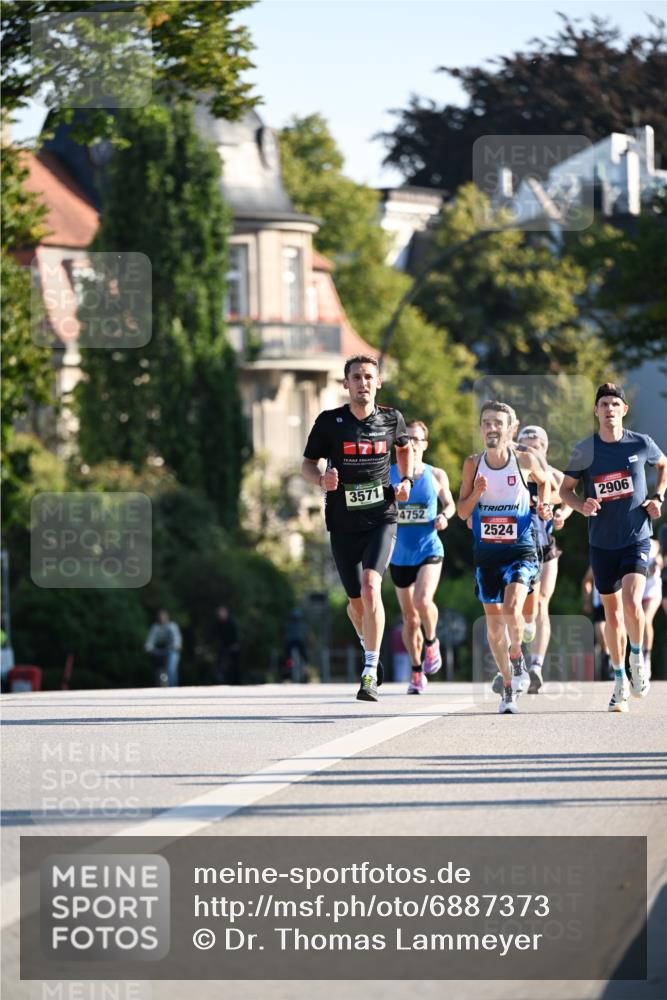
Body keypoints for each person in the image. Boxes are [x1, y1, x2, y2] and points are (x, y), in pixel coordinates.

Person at [302, 355, 412, 702]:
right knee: (356, 604)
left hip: (382, 516)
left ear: (378, 383)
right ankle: (370, 642)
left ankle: (369, 671)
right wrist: (322, 479)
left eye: (369, 377)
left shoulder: (392, 418)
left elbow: (405, 448)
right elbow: (307, 464)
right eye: (356, 377)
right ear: (345, 384)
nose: (363, 383)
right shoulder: (330, 422)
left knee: (370, 585)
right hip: (342, 522)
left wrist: (405, 478)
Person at [560, 383, 667, 712]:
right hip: (602, 542)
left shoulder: (641, 443)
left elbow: (664, 465)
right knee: (612, 616)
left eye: (614, 403)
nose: (609, 409)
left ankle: (637, 660)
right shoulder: (584, 450)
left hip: (636, 536)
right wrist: (582, 506)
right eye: (603, 403)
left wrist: (658, 496)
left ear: (624, 410)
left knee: (633, 603)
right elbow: (566, 491)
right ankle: (620, 680)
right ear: (596, 411)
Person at [458, 401, 552, 714]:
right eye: (486, 422)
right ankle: (509, 688)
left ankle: (517, 657)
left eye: (499, 423)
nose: (492, 428)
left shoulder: (524, 458)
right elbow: (462, 511)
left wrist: (544, 505)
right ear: (480, 427)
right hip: (487, 553)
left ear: (511, 429)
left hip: (521, 549)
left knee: (513, 607)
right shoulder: (473, 464)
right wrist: (476, 493)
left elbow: (545, 481)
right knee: (494, 626)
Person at [389, 420, 456, 694]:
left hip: (429, 548)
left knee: (422, 601)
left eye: (418, 439)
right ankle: (416, 672)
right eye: (408, 438)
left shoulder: (436, 474)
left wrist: (444, 516)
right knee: (409, 618)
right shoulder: (390, 473)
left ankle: (431, 643)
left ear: (425, 444)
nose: (413, 443)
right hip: (399, 554)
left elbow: (450, 503)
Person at [515, 425, 573, 693]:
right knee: (518, 605)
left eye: (535, 444)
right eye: (525, 445)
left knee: (541, 602)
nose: (530, 449)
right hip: (516, 547)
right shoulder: (513, 474)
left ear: (545, 447)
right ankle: (517, 661)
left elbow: (569, 498)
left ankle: (536, 666)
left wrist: (562, 515)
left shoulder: (554, 475)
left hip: (546, 548)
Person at [582, 566, 612, 680]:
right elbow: (587, 581)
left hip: (617, 604)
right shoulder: (596, 559)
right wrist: (587, 601)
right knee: (601, 631)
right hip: (600, 605)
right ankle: (607, 659)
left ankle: (615, 664)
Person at [642, 538, 663, 677]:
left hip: (653, 590)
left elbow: (660, 560)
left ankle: (646, 657)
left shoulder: (655, 544)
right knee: (636, 624)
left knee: (646, 620)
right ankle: (636, 656)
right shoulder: (632, 541)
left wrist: (657, 562)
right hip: (638, 591)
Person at [145, 610, 182, 687]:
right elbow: (150, 640)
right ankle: (159, 686)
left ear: (167, 618)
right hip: (159, 651)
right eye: (160, 617)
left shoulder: (172, 626)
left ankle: (173, 687)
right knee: (157, 670)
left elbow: (176, 638)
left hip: (171, 650)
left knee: (171, 669)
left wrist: (176, 645)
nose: (162, 619)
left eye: (163, 617)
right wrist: (148, 647)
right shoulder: (155, 628)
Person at [215, 606, 240, 685]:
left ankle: (235, 682)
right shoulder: (218, 623)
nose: (221, 614)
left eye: (222, 612)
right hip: (223, 647)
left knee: (234, 666)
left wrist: (236, 644)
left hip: (233, 646)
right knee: (221, 664)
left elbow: (236, 635)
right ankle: (222, 681)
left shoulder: (232, 622)